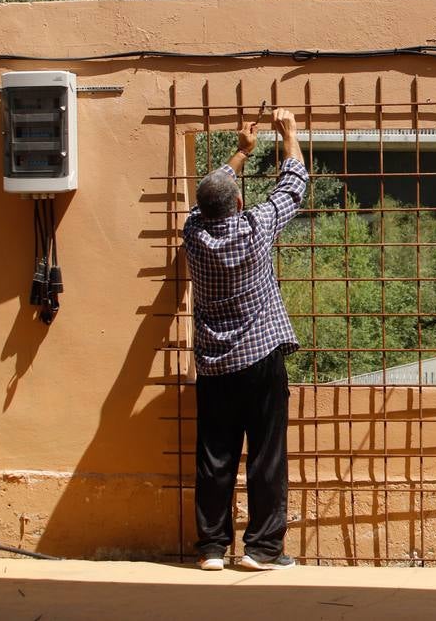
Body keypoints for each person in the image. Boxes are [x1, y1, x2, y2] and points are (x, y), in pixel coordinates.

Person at [182, 108, 307, 571]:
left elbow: (210, 194)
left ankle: (212, 548)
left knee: (215, 455)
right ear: (238, 204)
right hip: (260, 358)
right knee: (266, 455)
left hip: (214, 365)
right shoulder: (255, 229)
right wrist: (288, 134)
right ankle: (262, 549)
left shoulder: (193, 234)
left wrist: (241, 152)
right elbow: (293, 184)